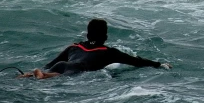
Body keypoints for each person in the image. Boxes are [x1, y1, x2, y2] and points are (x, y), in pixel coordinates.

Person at [18, 19, 171, 79]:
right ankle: (42, 76)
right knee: (56, 77)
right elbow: (137, 62)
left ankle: (33, 74)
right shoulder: (108, 53)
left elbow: (50, 63)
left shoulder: (73, 47)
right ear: (105, 36)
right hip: (76, 71)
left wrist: (31, 71)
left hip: (61, 66)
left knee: (49, 72)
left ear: (87, 34)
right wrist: (159, 64)